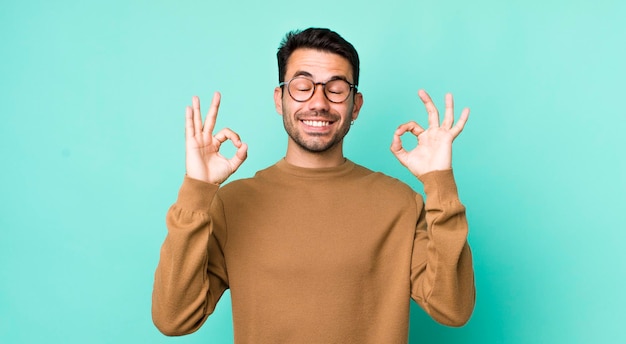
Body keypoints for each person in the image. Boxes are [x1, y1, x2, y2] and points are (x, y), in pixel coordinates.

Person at [152, 27, 475, 343]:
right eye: (302, 86)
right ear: (280, 99)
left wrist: (439, 183)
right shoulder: (233, 203)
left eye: (335, 88)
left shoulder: (399, 202)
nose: (319, 102)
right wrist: (196, 190)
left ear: (356, 105)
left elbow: (453, 309)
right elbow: (174, 319)